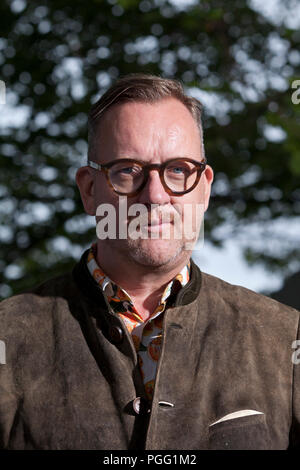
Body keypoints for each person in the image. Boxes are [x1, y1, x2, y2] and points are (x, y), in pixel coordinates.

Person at [0, 74, 299, 450]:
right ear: (90, 190)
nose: (156, 196)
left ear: (204, 188)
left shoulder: (285, 340)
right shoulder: (8, 337)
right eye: (128, 170)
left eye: (178, 170)